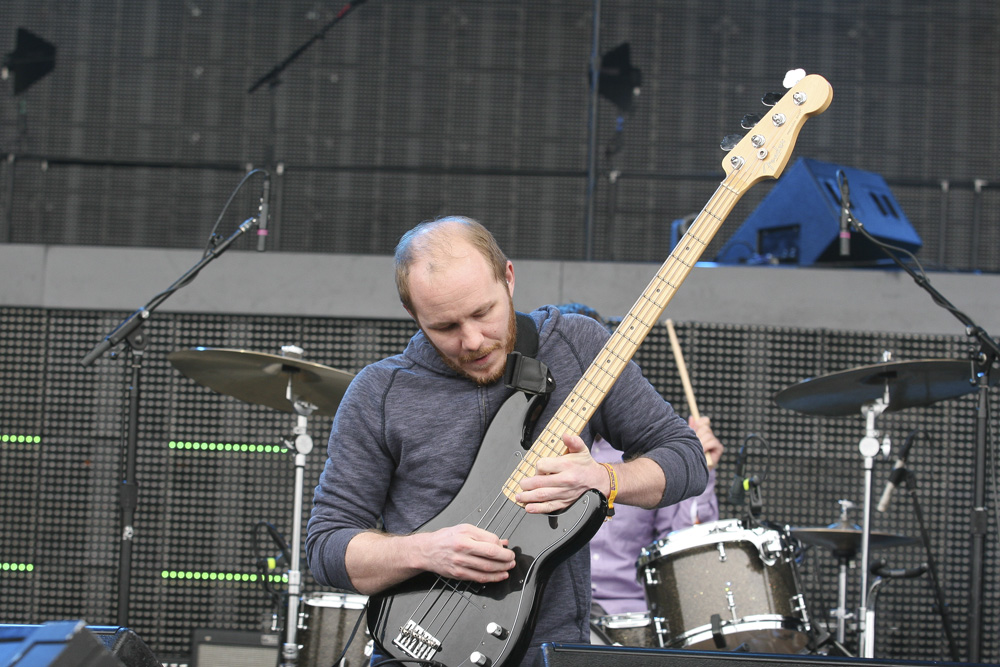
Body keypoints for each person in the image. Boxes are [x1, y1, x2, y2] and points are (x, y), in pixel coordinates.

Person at [305, 216, 708, 667]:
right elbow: (327, 546)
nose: (473, 341)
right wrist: (425, 550)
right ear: (414, 316)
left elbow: (686, 458)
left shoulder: (575, 346)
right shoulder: (379, 392)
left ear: (509, 278)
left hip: (550, 653)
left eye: (483, 312)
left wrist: (604, 478)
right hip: (414, 649)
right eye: (445, 327)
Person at [551, 304, 723, 622]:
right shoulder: (529, 450)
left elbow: (683, 547)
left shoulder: (648, 458)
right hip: (551, 614)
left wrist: (704, 474)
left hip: (626, 615)